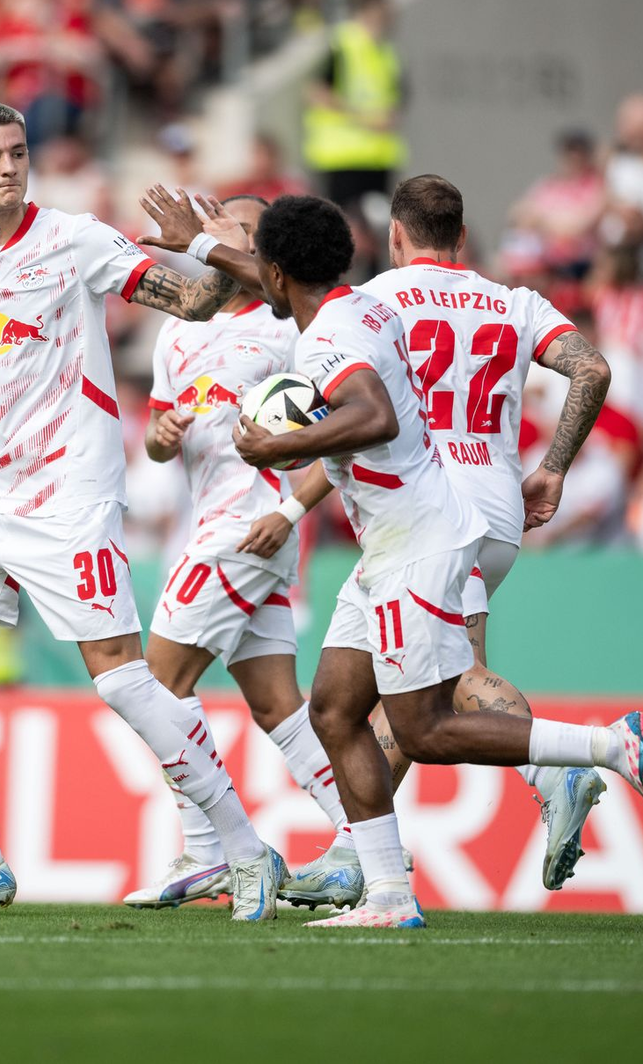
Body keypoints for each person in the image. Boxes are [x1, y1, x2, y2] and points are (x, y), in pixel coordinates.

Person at [0, 102, 284, 920]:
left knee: (124, 681)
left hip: (71, 493)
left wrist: (202, 249)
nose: (9, 166)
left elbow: (193, 303)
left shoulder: (76, 239)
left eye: (18, 151)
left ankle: (245, 850)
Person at [143, 190, 643, 929]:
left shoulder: (335, 330)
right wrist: (202, 247)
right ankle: (386, 893)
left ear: (276, 273)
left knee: (423, 728)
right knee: (333, 709)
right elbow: (280, 281)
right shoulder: (360, 307)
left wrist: (278, 444)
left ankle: (611, 744)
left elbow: (372, 414)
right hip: (403, 537)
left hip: (419, 538)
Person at [249, 175, 611, 905]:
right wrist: (553, 468)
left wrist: (288, 491)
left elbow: (365, 417)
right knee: (368, 695)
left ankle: (563, 766)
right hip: (498, 502)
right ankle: (361, 859)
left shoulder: (373, 302)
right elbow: (591, 368)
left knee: (443, 688)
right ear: (463, 236)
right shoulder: (512, 301)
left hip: (433, 506)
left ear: (395, 236)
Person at [122, 193, 354, 909]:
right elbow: (160, 439)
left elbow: (348, 436)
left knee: (155, 685)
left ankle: (212, 849)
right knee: (279, 705)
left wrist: (290, 510)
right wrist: (161, 437)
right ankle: (365, 842)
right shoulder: (177, 333)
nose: (228, 235)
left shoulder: (288, 330)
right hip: (212, 528)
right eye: (224, 224)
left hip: (250, 529)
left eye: (244, 229)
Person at [302, 0, 405, 212]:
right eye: (377, 16)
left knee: (376, 221)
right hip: (341, 156)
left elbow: (395, 102)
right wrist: (364, 118)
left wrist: (387, 119)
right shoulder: (342, 44)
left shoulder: (387, 52)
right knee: (343, 220)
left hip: (378, 157)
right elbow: (316, 93)